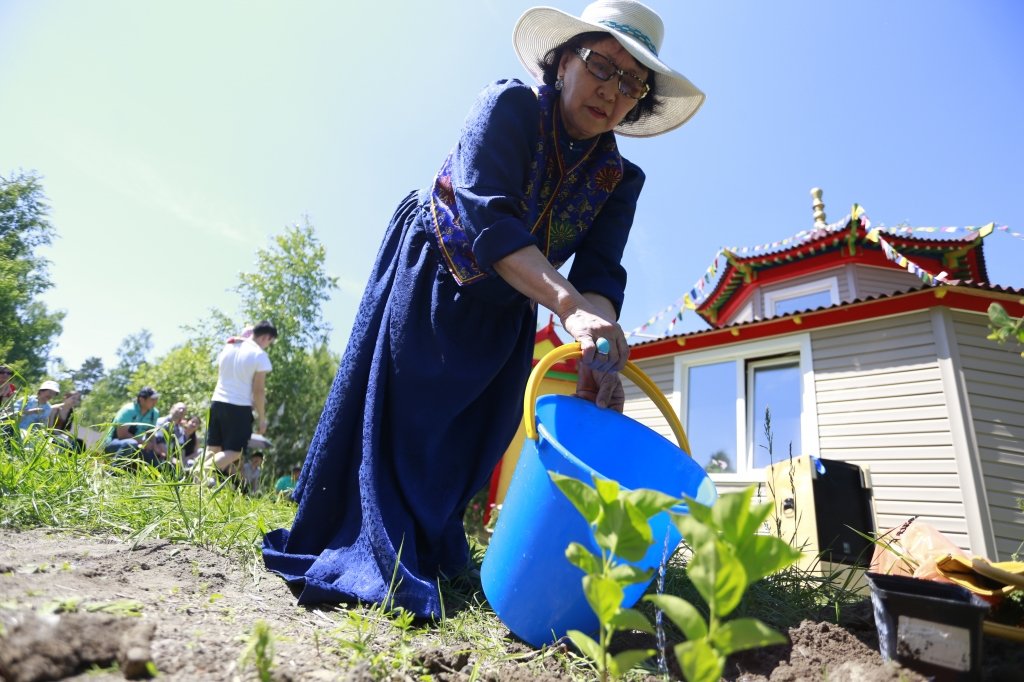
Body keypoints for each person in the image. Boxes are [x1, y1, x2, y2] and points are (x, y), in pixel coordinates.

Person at [262, 0, 705, 618]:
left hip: (518, 295)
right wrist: (571, 307)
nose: (613, 90)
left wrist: (596, 342)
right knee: (411, 408)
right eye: (603, 65)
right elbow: (489, 220)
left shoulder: (618, 180)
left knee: (477, 429)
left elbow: (601, 272)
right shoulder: (510, 107)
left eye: (633, 83)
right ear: (562, 61)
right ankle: (372, 542)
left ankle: (429, 539)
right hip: (443, 265)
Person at [196, 320, 276, 476]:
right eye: (270, 342)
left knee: (213, 449)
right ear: (266, 337)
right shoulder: (259, 355)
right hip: (239, 407)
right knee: (235, 452)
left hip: (217, 402)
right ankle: (198, 474)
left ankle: (194, 482)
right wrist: (262, 419)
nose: (268, 346)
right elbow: (259, 391)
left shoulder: (228, 347)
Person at [103, 386, 162, 465]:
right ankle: (113, 473)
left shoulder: (154, 413)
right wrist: (143, 442)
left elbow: (151, 433)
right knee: (130, 443)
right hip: (113, 443)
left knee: (154, 460)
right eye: (152, 399)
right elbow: (122, 435)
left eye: (156, 398)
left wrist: (154, 447)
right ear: (141, 399)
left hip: (137, 445)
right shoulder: (128, 410)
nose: (155, 401)